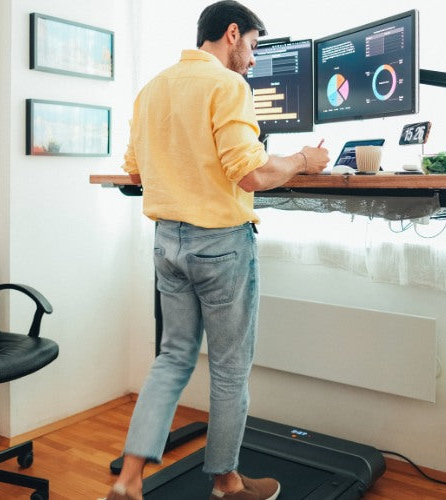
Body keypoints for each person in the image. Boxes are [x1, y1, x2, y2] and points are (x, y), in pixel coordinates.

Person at [104, 2, 329, 499]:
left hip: (167, 243)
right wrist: (304, 159)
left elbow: (135, 173)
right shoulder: (228, 86)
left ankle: (128, 479)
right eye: (251, 46)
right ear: (231, 34)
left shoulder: (152, 89)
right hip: (219, 246)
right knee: (228, 367)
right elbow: (251, 173)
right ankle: (226, 481)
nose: (252, 61)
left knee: (172, 357)